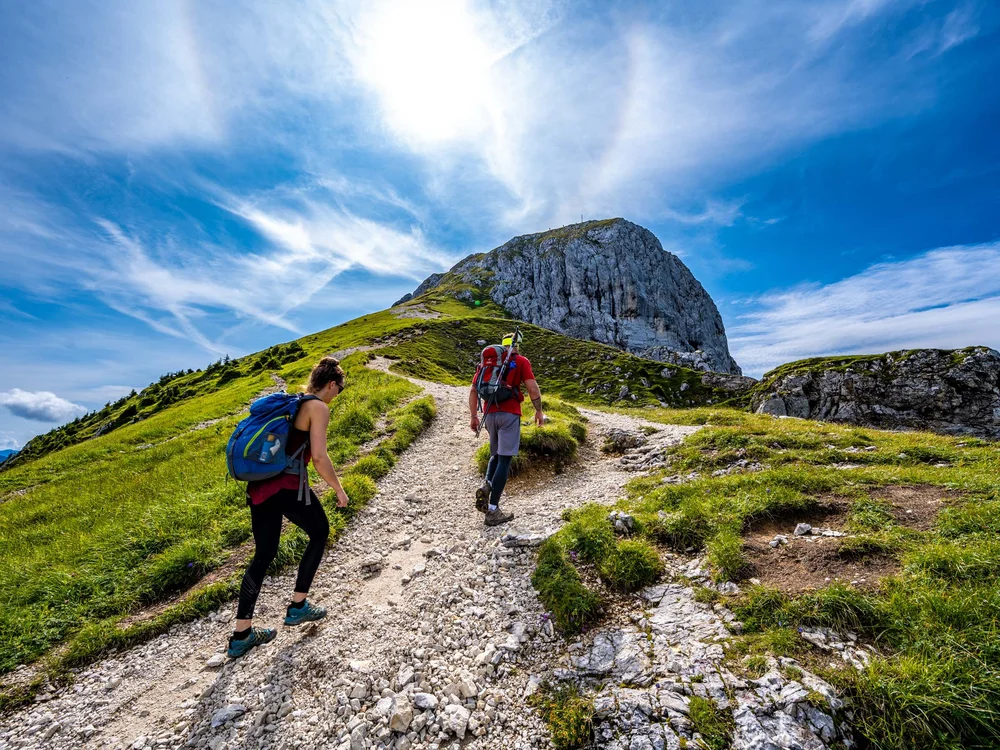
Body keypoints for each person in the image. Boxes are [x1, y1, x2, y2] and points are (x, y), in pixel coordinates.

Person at [226, 357, 351, 658]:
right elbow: (319, 457)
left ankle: (241, 634)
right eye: (339, 389)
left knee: (264, 554)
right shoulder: (318, 407)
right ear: (332, 384)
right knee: (320, 532)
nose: (337, 394)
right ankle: (298, 606)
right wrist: (339, 489)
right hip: (287, 486)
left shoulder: (294, 403)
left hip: (260, 488)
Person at [469, 332, 544, 527]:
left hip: (489, 415)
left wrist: (473, 416)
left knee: (494, 455)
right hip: (509, 414)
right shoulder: (520, 361)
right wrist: (539, 411)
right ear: (518, 344)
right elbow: (533, 389)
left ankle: (487, 484)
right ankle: (493, 510)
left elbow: (473, 390)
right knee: (505, 458)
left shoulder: (486, 364)